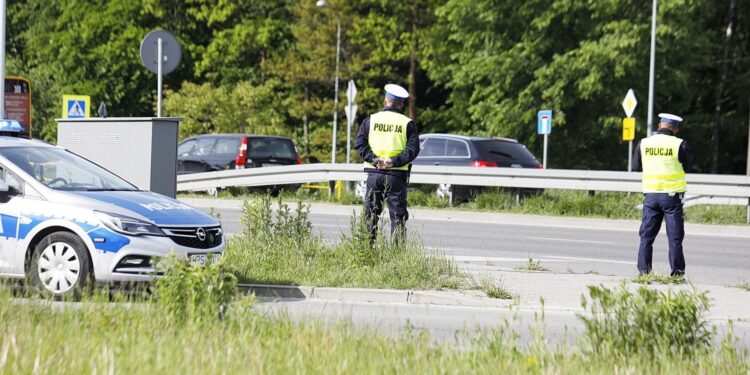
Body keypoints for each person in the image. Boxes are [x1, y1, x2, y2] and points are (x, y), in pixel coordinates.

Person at [354, 84, 420, 244]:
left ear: (386, 101)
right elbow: (413, 150)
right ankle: (396, 255)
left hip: (374, 173)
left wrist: (375, 160)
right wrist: (393, 161)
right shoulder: (407, 123)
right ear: (401, 104)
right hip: (396, 175)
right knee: (397, 216)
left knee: (370, 214)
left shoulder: (371, 120)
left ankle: (365, 251)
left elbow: (360, 144)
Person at [632, 113, 694, 276]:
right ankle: (677, 274)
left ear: (660, 125)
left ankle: (644, 273)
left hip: (651, 196)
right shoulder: (679, 144)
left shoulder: (644, 143)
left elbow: (635, 165)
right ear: (675, 128)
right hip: (671, 198)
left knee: (646, 237)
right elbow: (688, 165)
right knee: (675, 238)